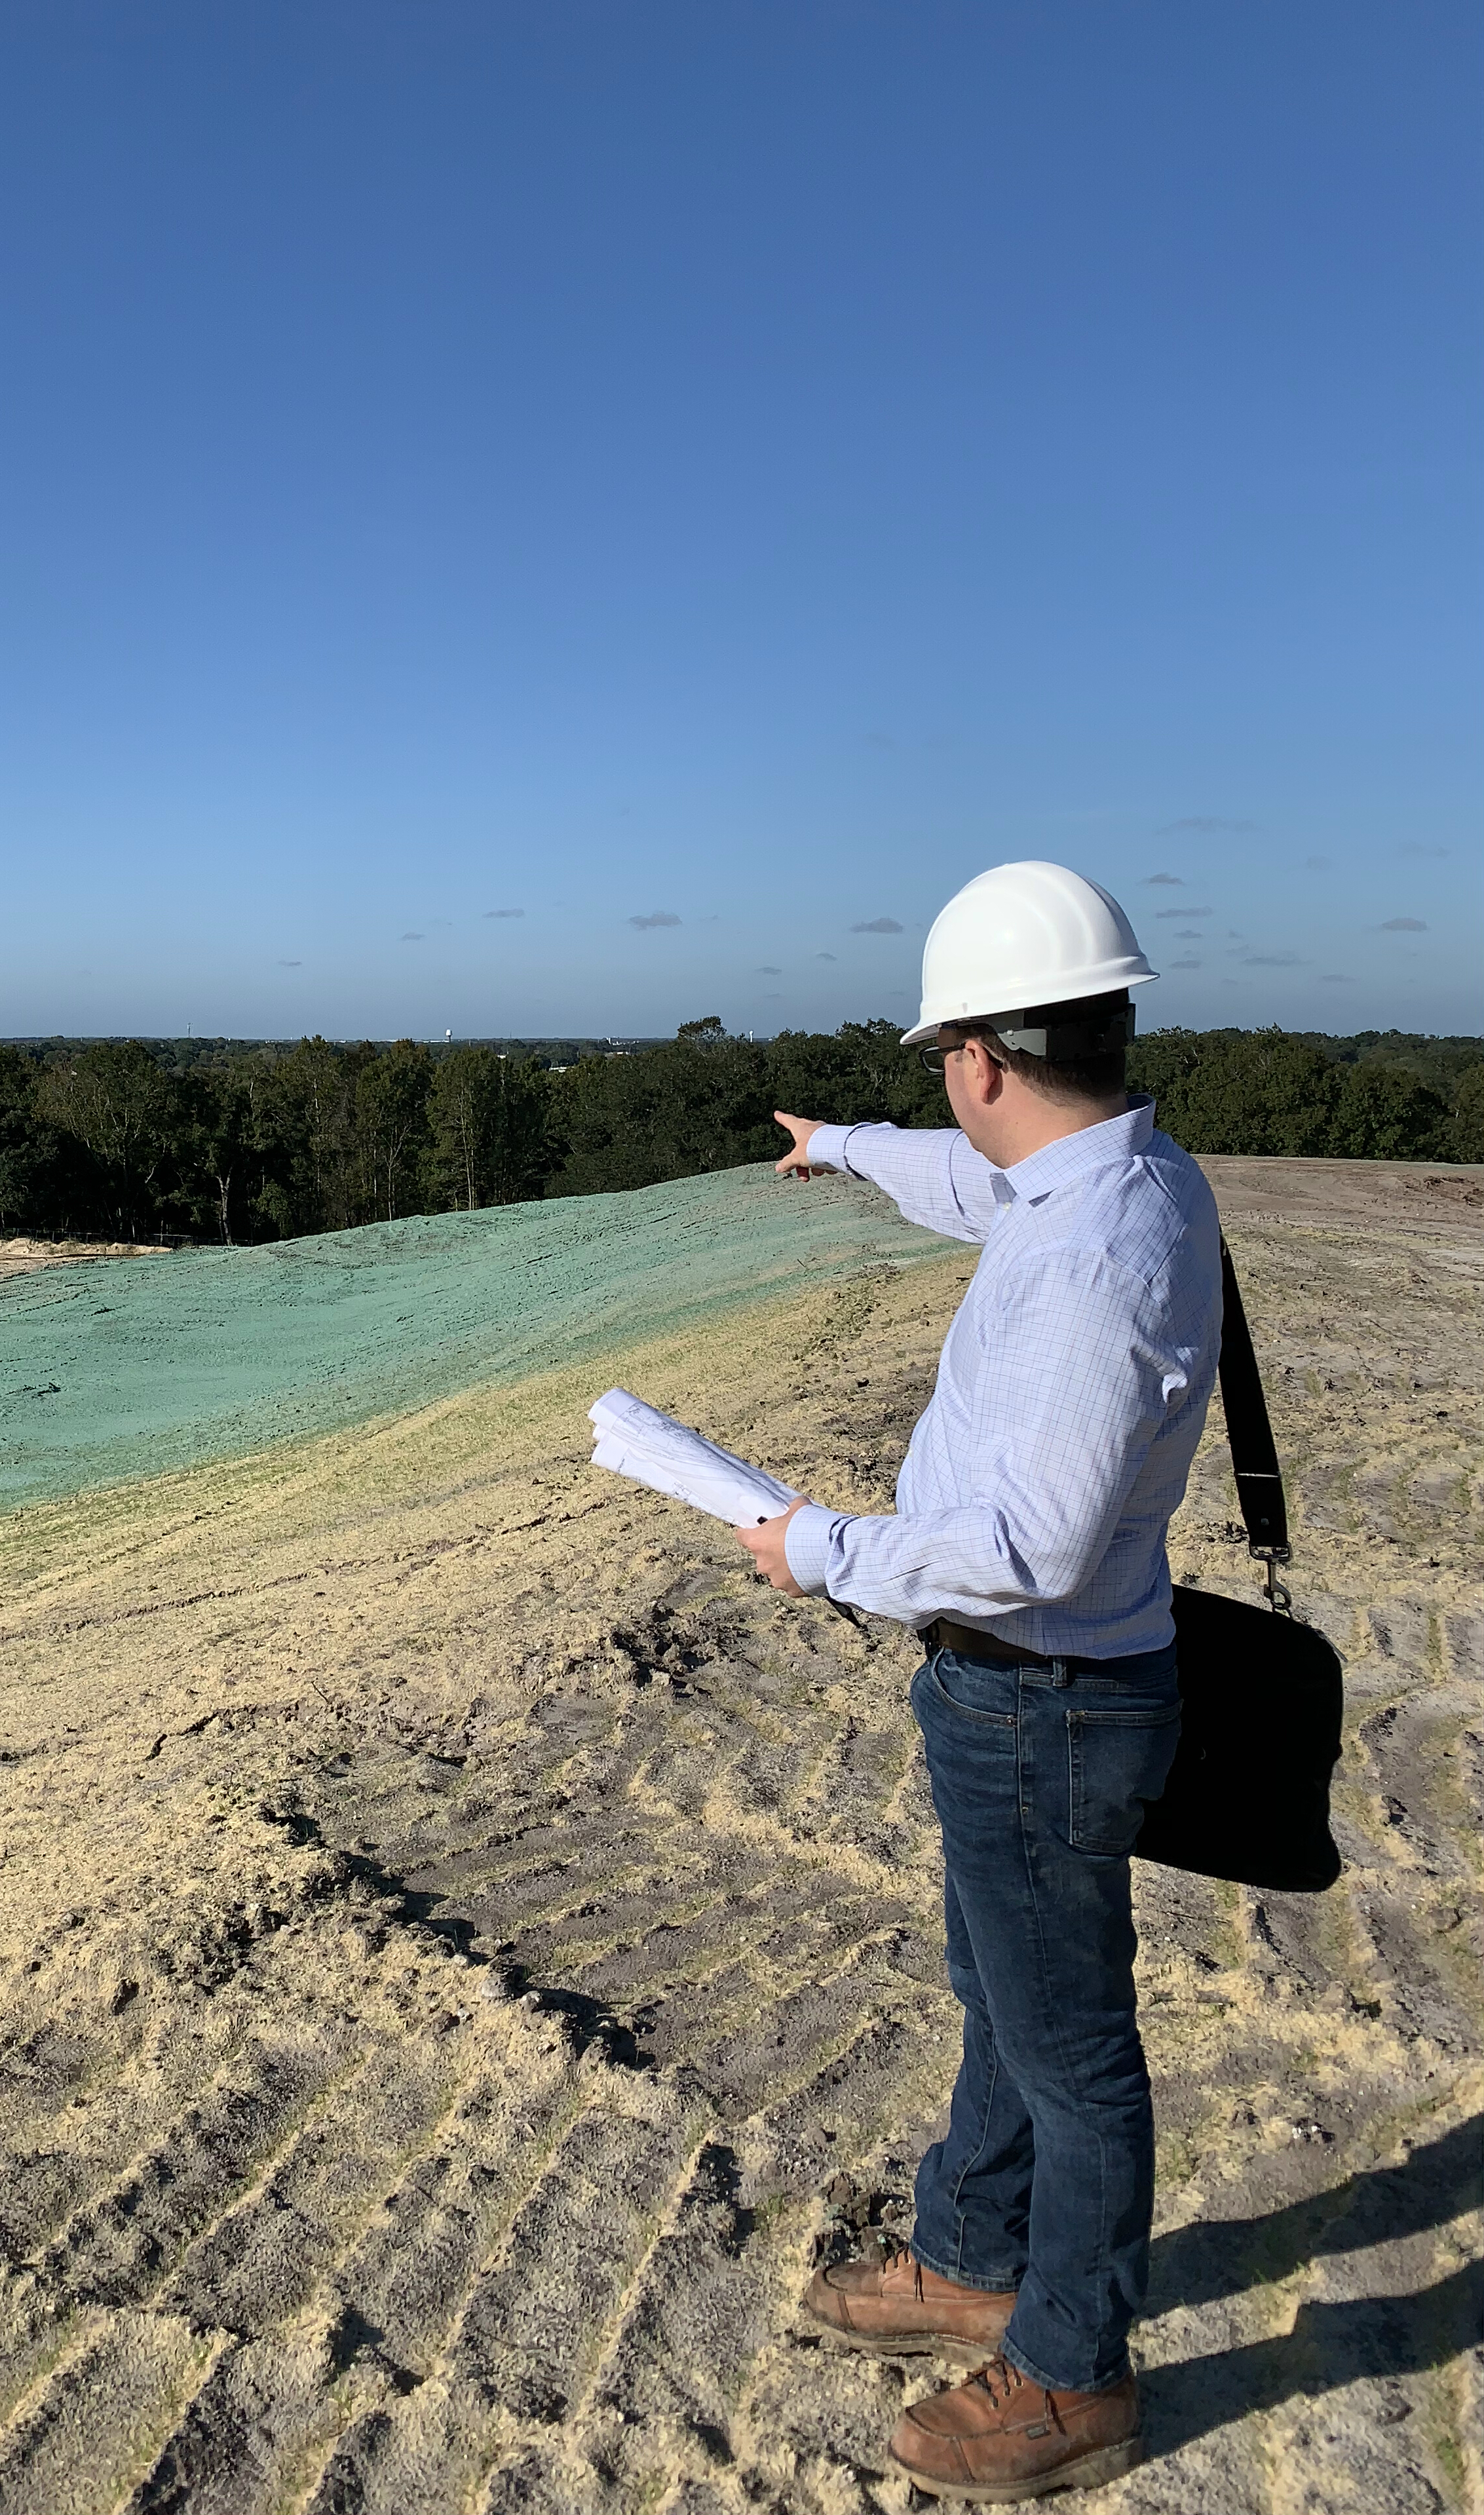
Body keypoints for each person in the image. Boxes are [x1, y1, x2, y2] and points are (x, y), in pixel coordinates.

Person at [742, 859, 1215, 2502]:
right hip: (1031, 1693)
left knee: (1074, 2049)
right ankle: (970, 2249)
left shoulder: (1095, 1259)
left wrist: (818, 1548)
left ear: (982, 1056)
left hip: (1043, 1691)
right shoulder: (1097, 1177)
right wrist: (845, 1150)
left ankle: (1075, 2367)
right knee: (1000, 1988)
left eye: (941, 1055)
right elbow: (970, 1182)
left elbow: (1026, 1543)